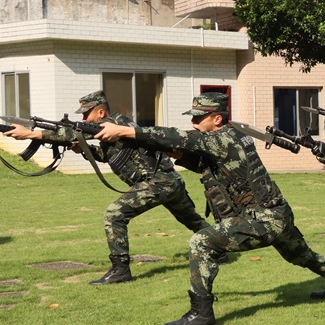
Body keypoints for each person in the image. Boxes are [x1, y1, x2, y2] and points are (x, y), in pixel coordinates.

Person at [95, 92, 325, 325]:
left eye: (199, 118)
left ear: (217, 119)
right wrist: (181, 156)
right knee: (302, 255)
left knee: (201, 242)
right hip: (276, 213)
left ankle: (201, 313)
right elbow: (214, 165)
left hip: (262, 218)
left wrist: (124, 131)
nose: (194, 123)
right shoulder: (233, 135)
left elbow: (174, 135)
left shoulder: (220, 138)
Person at [3, 90, 210, 285]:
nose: (84, 119)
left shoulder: (117, 123)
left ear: (101, 113)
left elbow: (70, 133)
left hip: (158, 183)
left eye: (87, 114)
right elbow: (108, 156)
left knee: (114, 214)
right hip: (168, 182)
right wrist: (84, 150)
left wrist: (31, 134)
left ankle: (121, 269)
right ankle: (219, 250)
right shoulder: (110, 132)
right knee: (192, 220)